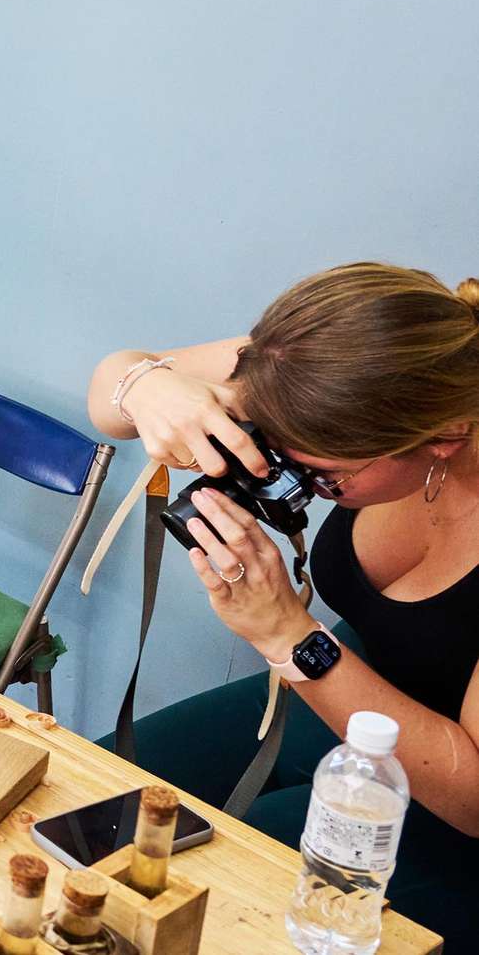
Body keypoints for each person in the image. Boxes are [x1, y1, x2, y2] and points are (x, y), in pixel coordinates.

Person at [87, 262, 479, 941]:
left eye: (322, 476)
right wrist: (147, 386)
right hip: (358, 681)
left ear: (442, 438)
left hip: (455, 799)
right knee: (103, 797)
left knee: (240, 882)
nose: (288, 480)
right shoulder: (344, 365)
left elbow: (475, 799)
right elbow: (107, 391)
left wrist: (288, 638)